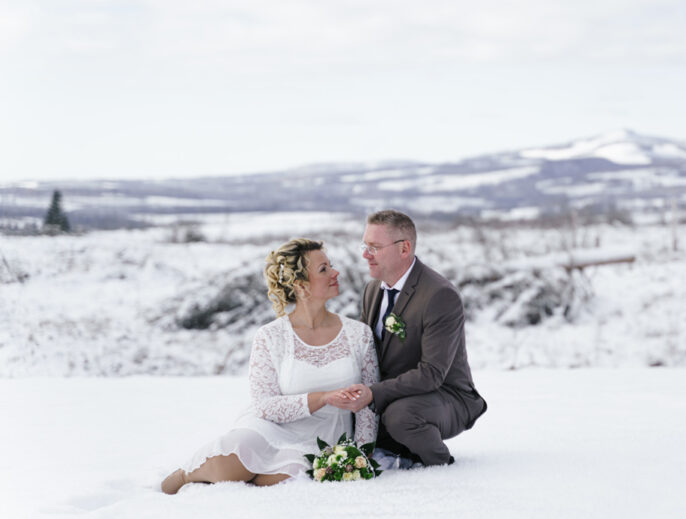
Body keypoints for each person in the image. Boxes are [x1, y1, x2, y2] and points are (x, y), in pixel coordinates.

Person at [160, 238, 378, 494]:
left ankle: (243, 480)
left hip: (326, 437)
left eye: (331, 266)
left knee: (296, 477)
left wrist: (361, 456)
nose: (335, 273)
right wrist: (323, 398)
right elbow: (264, 405)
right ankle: (185, 476)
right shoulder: (270, 336)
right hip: (271, 428)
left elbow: (369, 405)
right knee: (238, 450)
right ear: (300, 286)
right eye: (324, 269)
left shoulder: (359, 334)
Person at [332, 210, 486, 467]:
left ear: (404, 248)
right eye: (365, 245)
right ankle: (397, 449)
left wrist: (372, 393)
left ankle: (438, 463)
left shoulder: (439, 295)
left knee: (400, 417)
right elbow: (364, 351)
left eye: (374, 247)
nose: (365, 255)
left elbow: (432, 373)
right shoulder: (373, 289)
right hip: (396, 392)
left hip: (446, 396)